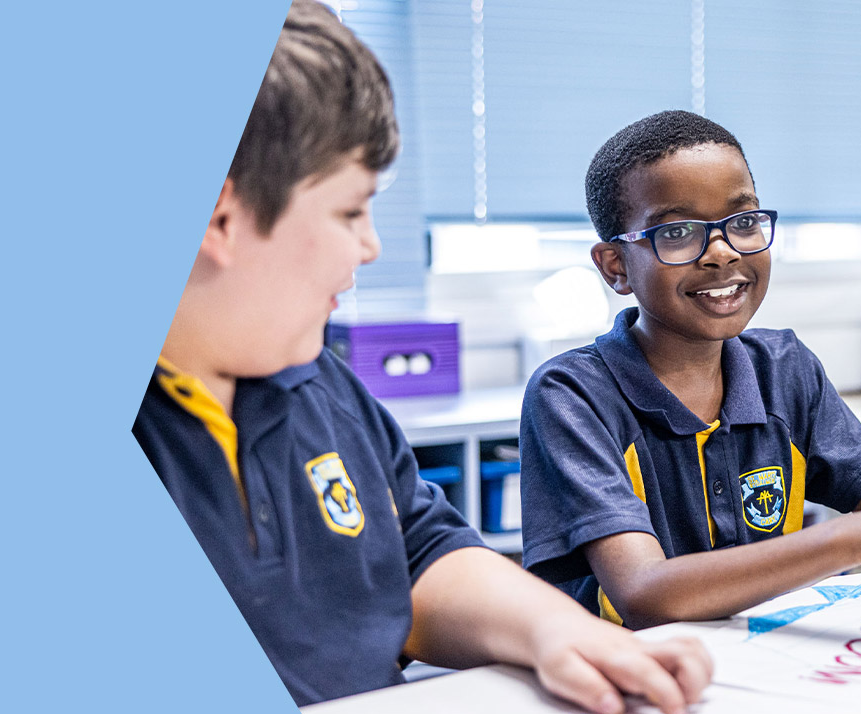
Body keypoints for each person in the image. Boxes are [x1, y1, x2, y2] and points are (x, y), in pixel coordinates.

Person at [133, 5, 712, 711]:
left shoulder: (318, 382)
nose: (372, 246)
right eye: (351, 211)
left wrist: (555, 631)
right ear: (221, 218)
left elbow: (417, 553)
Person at [518, 110, 861, 630]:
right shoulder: (570, 396)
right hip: (625, 679)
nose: (721, 252)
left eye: (743, 222)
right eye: (677, 232)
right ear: (616, 266)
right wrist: (852, 539)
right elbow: (644, 595)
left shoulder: (786, 371)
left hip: (766, 665)